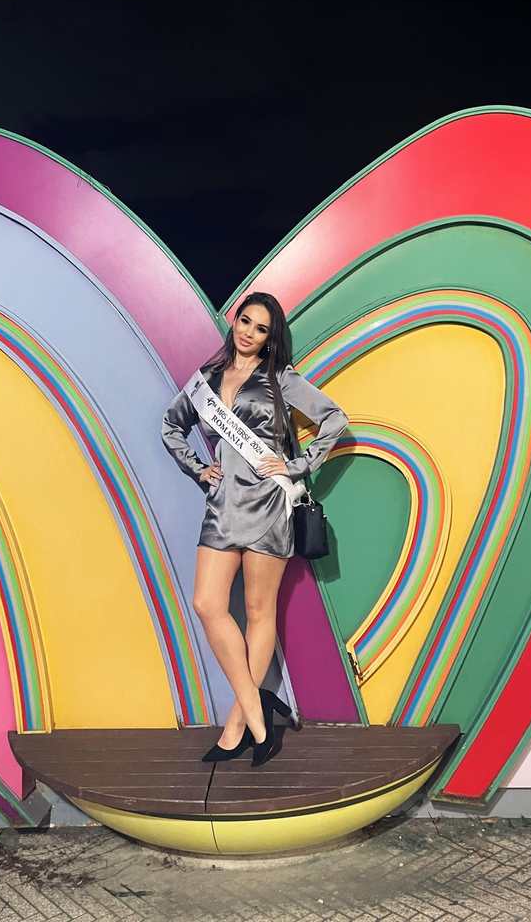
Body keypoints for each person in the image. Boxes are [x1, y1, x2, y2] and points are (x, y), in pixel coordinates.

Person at [161, 292, 348, 767]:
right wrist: (199, 469)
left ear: (270, 338)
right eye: (245, 321)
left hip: (268, 504)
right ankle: (258, 712)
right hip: (224, 506)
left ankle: (237, 727)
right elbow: (171, 425)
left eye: (261, 328)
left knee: (259, 612)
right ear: (235, 322)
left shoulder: (280, 379)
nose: (249, 332)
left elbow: (335, 419)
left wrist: (297, 464)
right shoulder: (207, 380)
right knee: (207, 604)